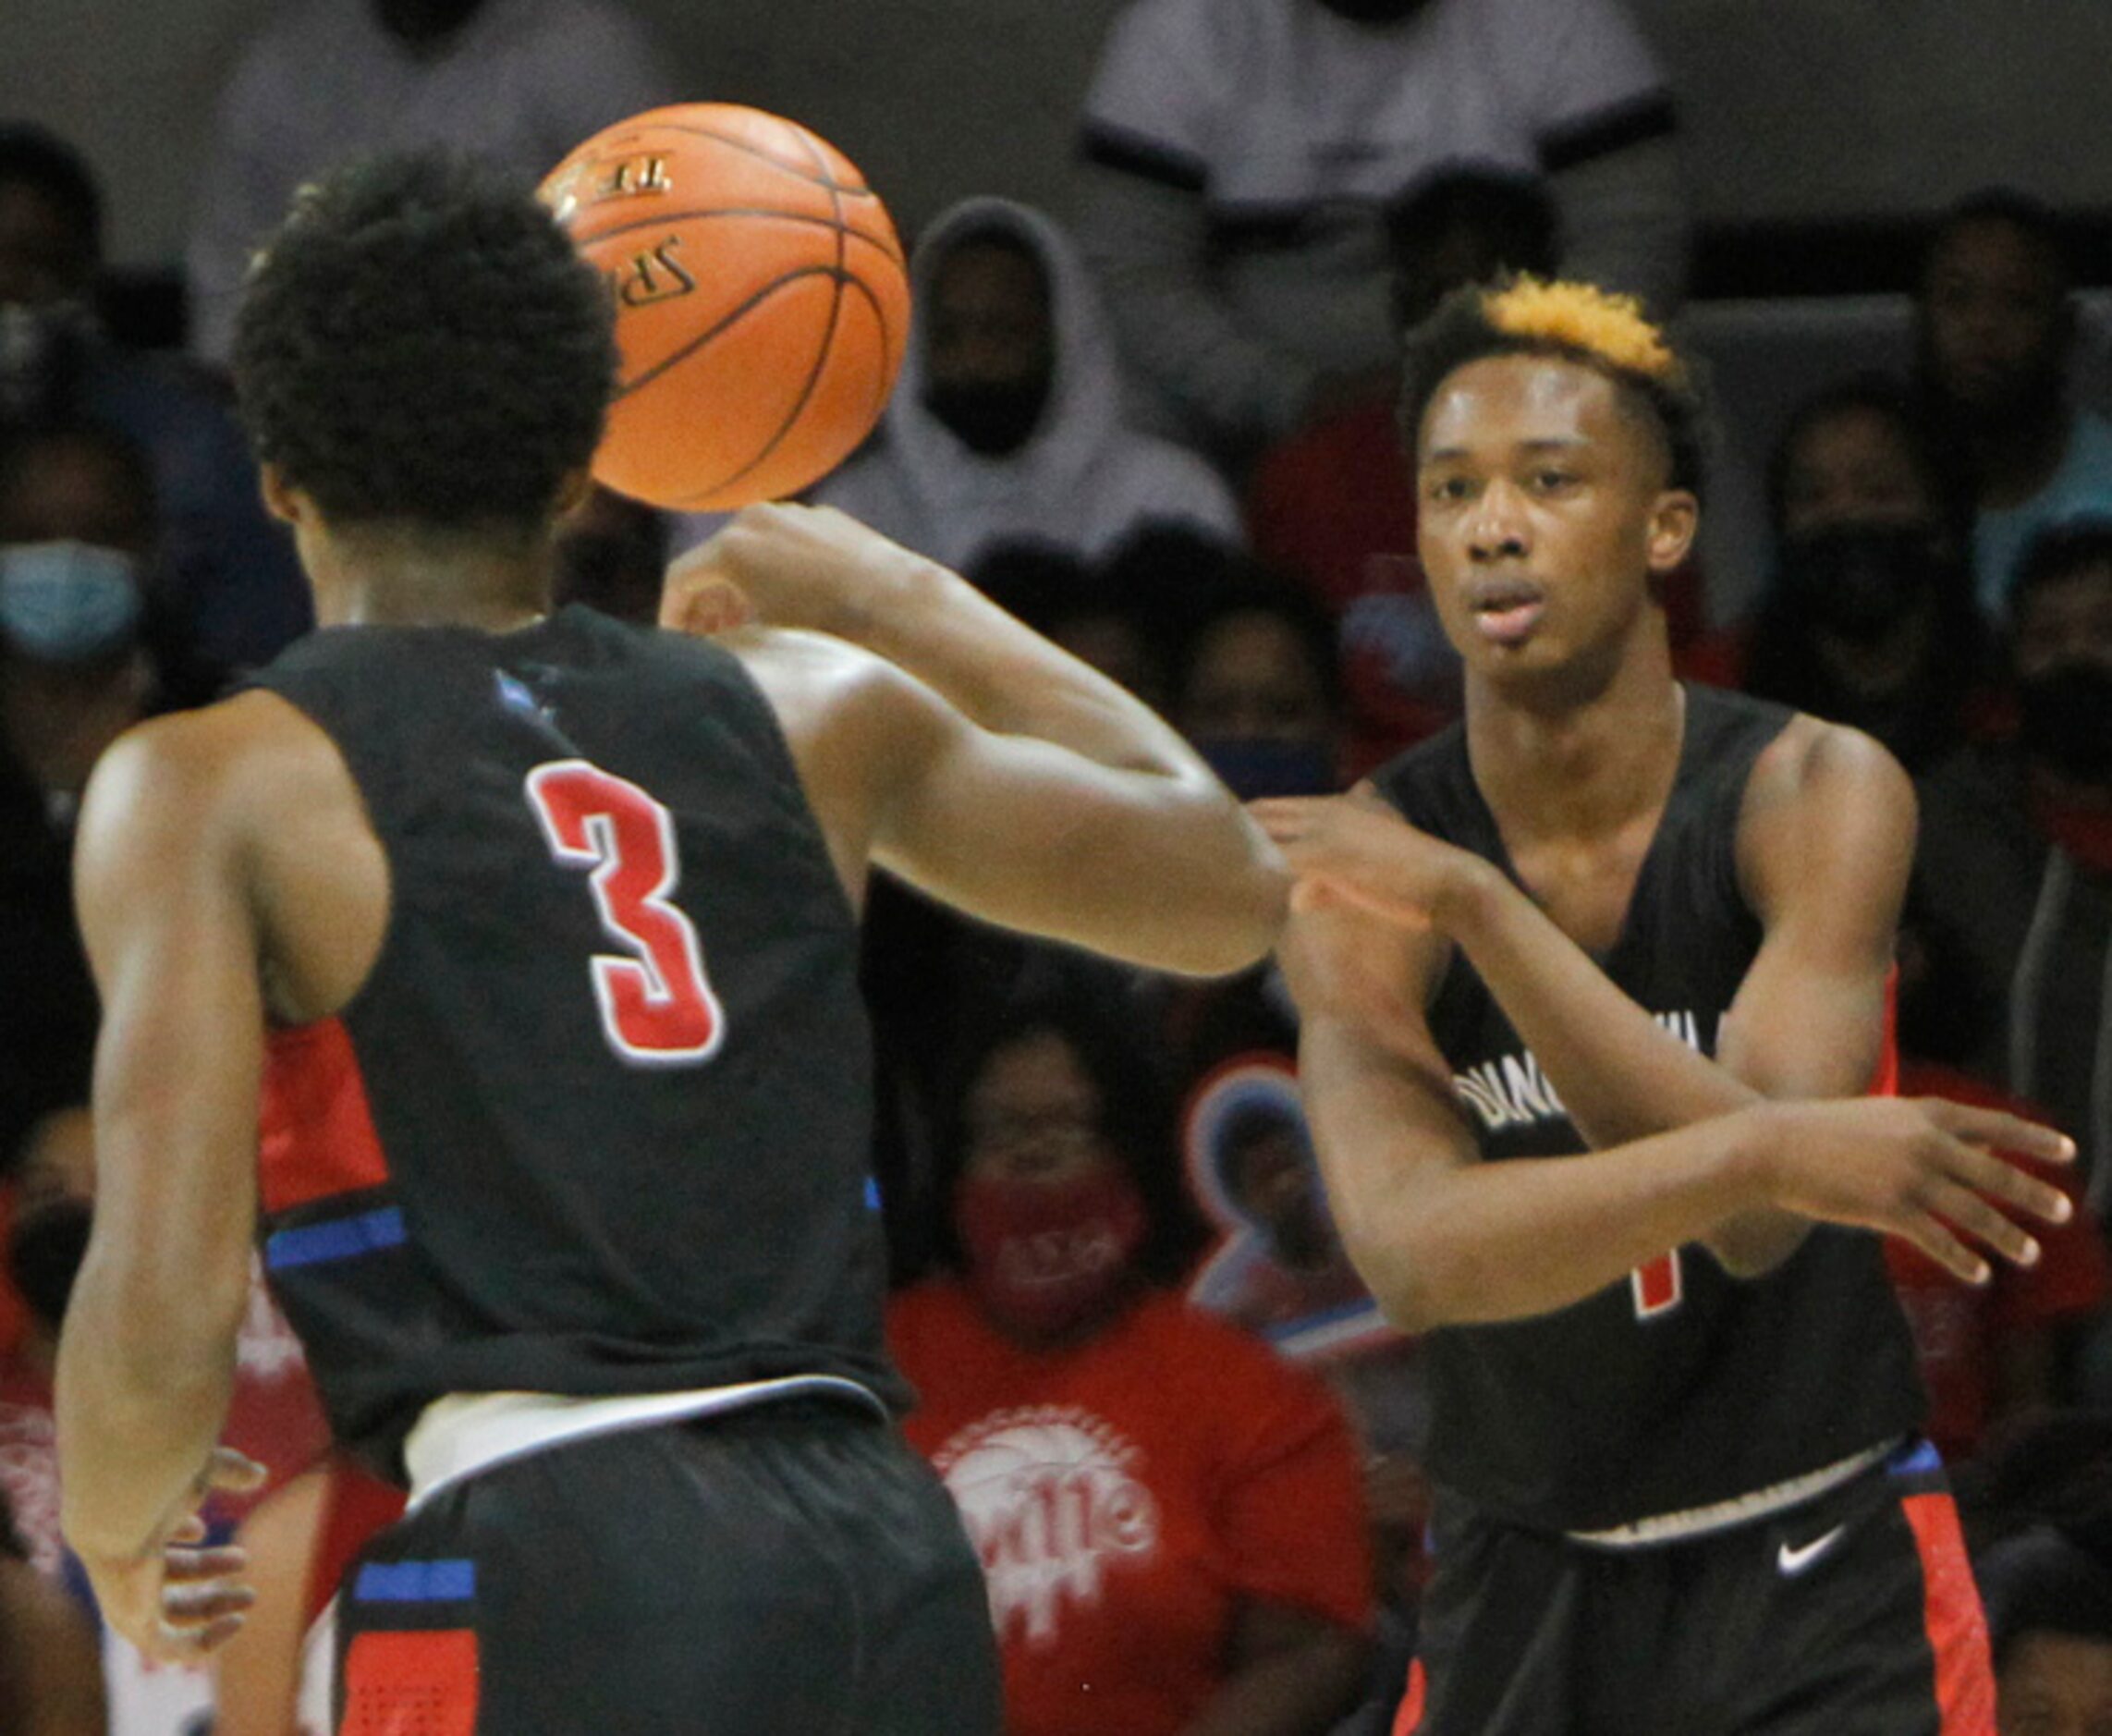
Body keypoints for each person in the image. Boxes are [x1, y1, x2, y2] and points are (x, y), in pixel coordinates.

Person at [53, 151, 1286, 1730]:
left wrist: (121, 1517)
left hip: (551, 1540)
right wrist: (896, 591)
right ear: (583, 468)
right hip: (879, 1547)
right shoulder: (805, 710)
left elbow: (160, 1294)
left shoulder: (211, 781)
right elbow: (1227, 877)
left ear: (275, 474)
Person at [1251, 275, 2078, 1732]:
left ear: (1665, 529)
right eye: (1450, 490)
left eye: (1547, 480)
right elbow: (1416, 1260)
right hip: (1522, 1569)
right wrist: (1761, 1143)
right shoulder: (1365, 863)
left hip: (1818, 1557)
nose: (1490, 524)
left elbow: (1756, 1234)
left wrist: (1484, 912)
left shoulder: (1814, 788)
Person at [886, 989, 1373, 1736]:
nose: (1032, 1152)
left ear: (1131, 1148)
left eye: (1068, 1127)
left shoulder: (1247, 1391)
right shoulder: (870, 1371)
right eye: (1001, 1129)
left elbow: (1311, 1650)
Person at [1075, 0, 1687, 463]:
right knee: (1128, 408)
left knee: (1664, 399)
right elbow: (1132, 273)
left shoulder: (1554, 16)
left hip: (1525, 392)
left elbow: (1635, 235)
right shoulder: (1191, 21)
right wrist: (1295, 398)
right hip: (1255, 412)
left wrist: (1529, 379)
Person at [183, 0, 672, 367]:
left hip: (545, 386)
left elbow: (657, 249)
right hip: (337, 398)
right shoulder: (289, 62)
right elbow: (227, 289)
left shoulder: (579, 43)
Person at [0, 124, 310, 691]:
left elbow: (258, 660)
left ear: (87, 272)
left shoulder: (193, 444)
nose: (10, 287)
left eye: (37, 261)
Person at [1908, 520, 2112, 1375]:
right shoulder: (1940, 830)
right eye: (2046, 640)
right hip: (1983, 1280)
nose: (2077, 663)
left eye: (2105, 634)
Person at [812, 196, 1241, 573]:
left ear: (1063, 337)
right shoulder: (855, 511)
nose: (974, 359)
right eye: (949, 335)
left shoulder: (1169, 497)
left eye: (1002, 332)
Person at [1736, 374, 1997, 773]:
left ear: (1944, 524)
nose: (1846, 515)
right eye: (1812, 496)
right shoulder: (1718, 692)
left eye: (1879, 491)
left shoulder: (2006, 699)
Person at [1910, 189, 2112, 616]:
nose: (1984, 326)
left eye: (2018, 301)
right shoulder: (1867, 496)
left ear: (2065, 329)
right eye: (1958, 298)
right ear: (1920, 317)